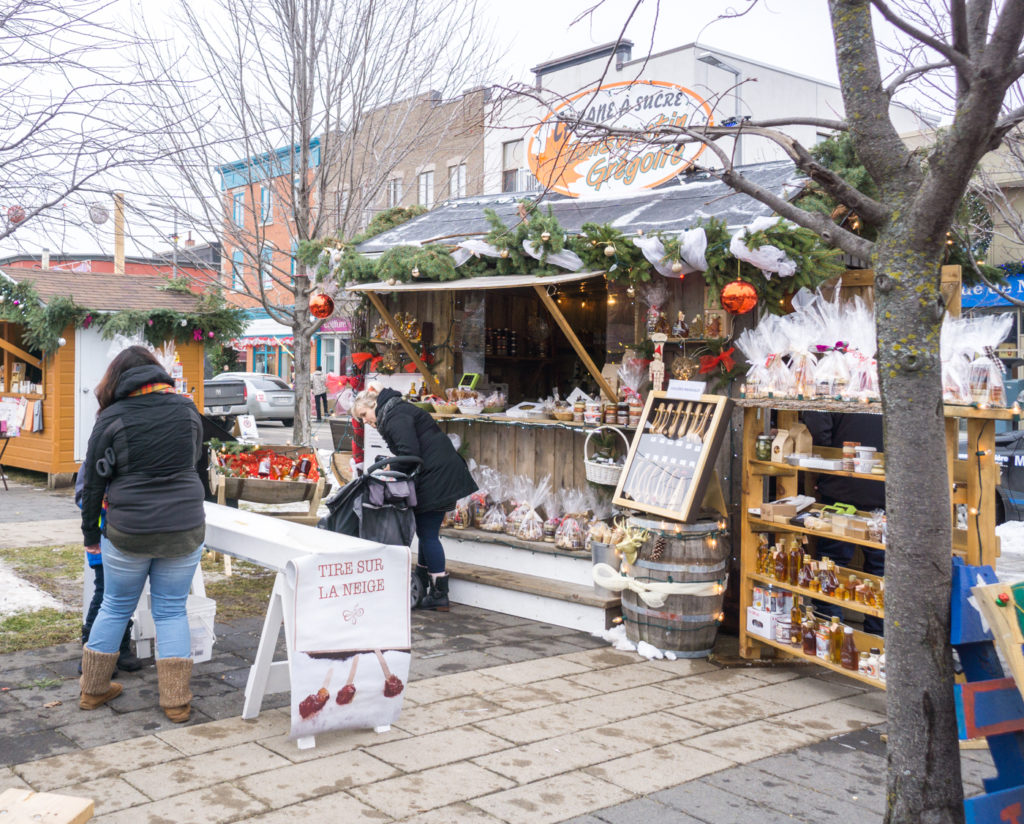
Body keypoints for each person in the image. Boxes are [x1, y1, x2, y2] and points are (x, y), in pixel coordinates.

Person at [78, 346, 206, 721]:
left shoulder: (112, 418)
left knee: (115, 605)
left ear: (116, 380)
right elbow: (194, 463)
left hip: (128, 529)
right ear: (157, 374)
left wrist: (90, 535)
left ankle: (93, 690)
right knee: (170, 610)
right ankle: (176, 702)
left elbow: (93, 486)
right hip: (183, 526)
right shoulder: (187, 410)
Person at [351, 387, 477, 610]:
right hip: (442, 474)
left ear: (373, 405)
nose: (365, 422)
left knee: (428, 534)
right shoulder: (397, 410)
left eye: (364, 415)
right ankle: (423, 583)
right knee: (426, 532)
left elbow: (409, 453)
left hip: (437, 477)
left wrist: (391, 465)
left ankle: (439, 593)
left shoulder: (394, 416)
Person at [802, 411, 885, 635]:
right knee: (880, 569)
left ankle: (828, 631)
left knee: (831, 565)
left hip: (842, 485)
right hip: (883, 485)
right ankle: (878, 636)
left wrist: (822, 455)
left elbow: (819, 429)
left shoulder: (832, 380)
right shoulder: (891, 385)